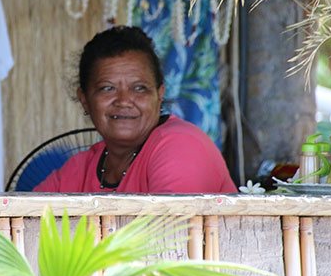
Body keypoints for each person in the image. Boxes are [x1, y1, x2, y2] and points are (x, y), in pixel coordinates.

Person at [35, 26, 236, 193]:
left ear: (160, 95)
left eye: (139, 88)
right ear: (85, 100)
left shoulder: (180, 145)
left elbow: (171, 237)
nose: (124, 101)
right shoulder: (79, 170)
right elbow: (21, 224)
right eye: (108, 88)